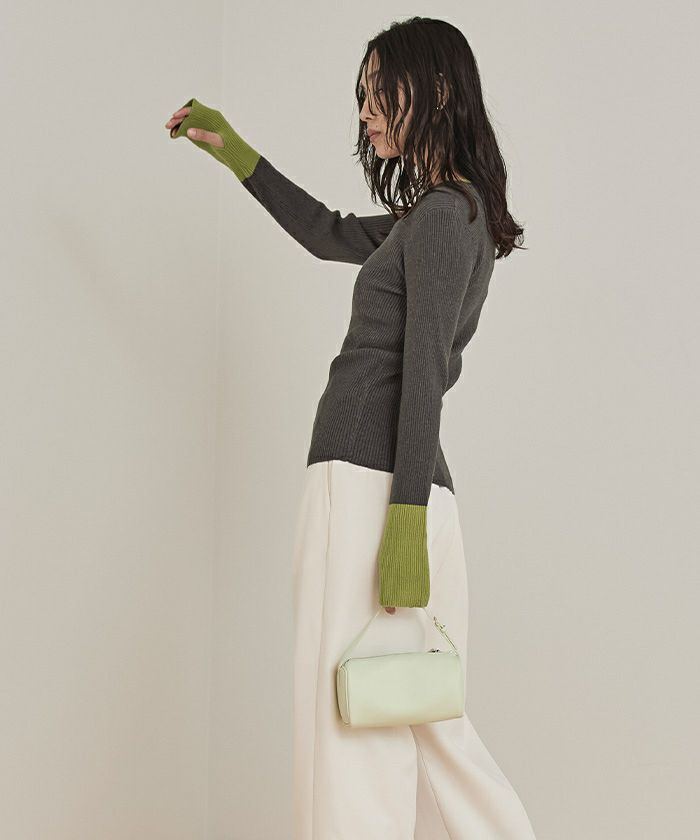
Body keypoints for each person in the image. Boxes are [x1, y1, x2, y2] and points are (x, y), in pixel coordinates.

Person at [165, 15, 536, 840]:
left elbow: (423, 371)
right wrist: (234, 151)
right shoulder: (442, 215)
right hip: (398, 490)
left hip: (372, 488)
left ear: (434, 92)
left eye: (379, 92)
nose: (365, 112)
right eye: (362, 94)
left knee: (346, 728)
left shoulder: (441, 217)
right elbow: (326, 231)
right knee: (425, 721)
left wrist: (402, 523)